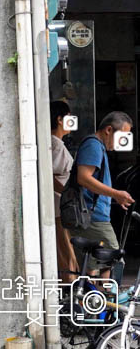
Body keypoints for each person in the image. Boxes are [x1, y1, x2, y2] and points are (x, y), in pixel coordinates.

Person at [74, 111, 135, 277]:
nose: (121, 142)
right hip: (93, 217)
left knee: (96, 265)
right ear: (108, 130)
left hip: (93, 215)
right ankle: (104, 298)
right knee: (114, 260)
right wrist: (115, 193)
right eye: (121, 136)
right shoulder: (93, 145)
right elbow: (84, 178)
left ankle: (95, 299)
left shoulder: (97, 147)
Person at [50, 101, 78, 282]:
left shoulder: (56, 144)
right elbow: (49, 177)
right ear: (60, 120)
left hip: (60, 208)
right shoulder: (56, 145)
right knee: (66, 254)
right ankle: (70, 296)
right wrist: (69, 193)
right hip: (60, 208)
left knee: (66, 253)